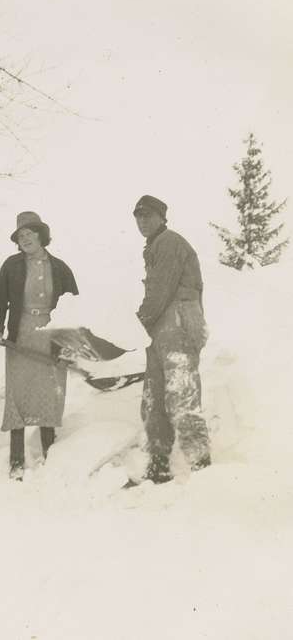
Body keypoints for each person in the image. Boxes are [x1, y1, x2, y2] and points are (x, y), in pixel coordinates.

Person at [126, 195, 210, 487]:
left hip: (177, 323)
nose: (142, 221)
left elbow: (160, 291)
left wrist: (135, 323)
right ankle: (159, 466)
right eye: (137, 216)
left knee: (181, 394)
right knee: (154, 398)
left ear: (162, 217)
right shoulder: (155, 247)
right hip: (160, 328)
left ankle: (202, 466)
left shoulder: (170, 242)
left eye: (148, 215)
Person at [0, 211, 79, 480]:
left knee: (49, 397)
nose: (25, 238)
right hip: (21, 336)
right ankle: (16, 463)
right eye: (21, 235)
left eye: (30, 233)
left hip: (52, 338)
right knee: (19, 396)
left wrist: (72, 345)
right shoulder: (11, 266)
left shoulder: (61, 267)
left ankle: (51, 458)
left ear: (42, 235)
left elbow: (75, 305)